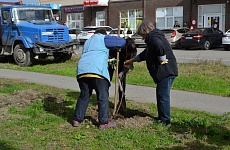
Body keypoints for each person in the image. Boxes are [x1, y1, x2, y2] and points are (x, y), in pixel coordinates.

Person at [124, 20, 178, 127]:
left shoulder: (154, 39)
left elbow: (160, 47)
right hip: (166, 71)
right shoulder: (154, 37)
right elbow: (146, 54)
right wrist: (133, 60)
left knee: (163, 95)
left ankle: (165, 121)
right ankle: (162, 117)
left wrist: (162, 58)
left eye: (142, 35)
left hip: (166, 71)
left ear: (146, 31)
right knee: (161, 94)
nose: (142, 38)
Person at [73, 28, 126, 129]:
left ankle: (77, 119)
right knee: (102, 96)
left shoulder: (88, 41)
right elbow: (121, 42)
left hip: (82, 71)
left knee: (84, 96)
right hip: (97, 71)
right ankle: (103, 122)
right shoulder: (103, 38)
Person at [108, 37, 137, 113]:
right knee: (107, 81)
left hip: (123, 64)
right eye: (128, 52)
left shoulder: (133, 51)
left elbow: (130, 64)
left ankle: (122, 103)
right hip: (113, 61)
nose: (129, 54)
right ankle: (102, 101)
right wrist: (113, 65)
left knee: (122, 82)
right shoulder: (117, 48)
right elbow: (109, 57)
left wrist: (123, 72)